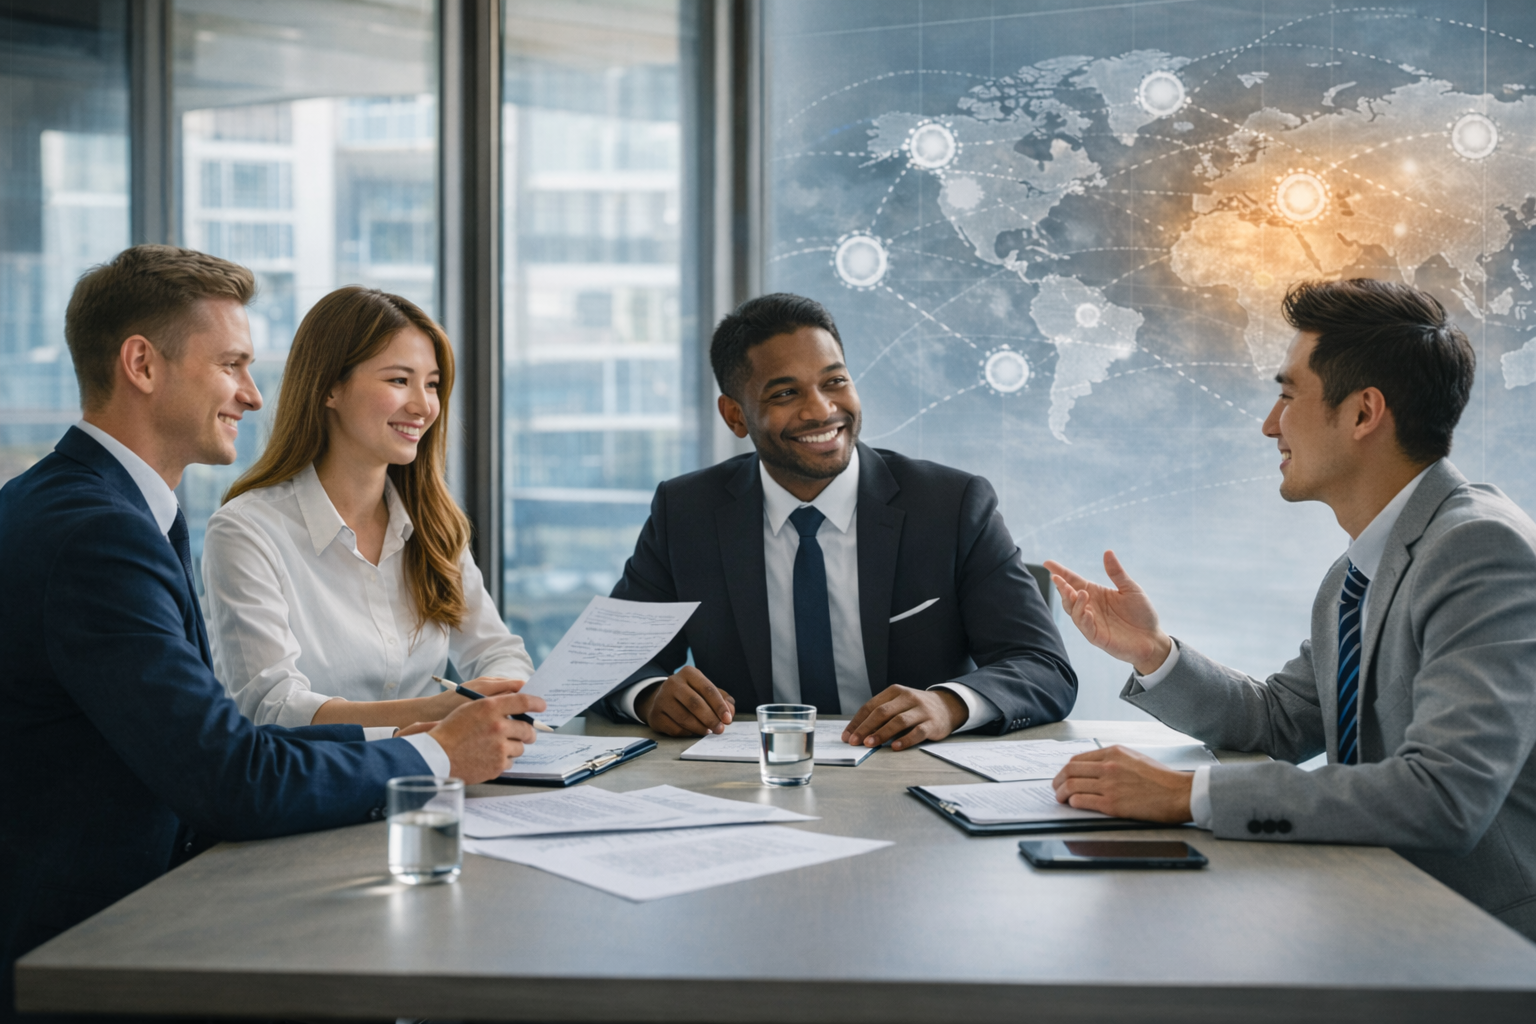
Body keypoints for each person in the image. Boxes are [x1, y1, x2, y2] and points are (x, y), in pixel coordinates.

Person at [0, 246, 542, 1016]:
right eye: (231, 364)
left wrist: (429, 736)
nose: (253, 395)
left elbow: (212, 750)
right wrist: (432, 749)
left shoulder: (98, 508)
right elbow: (230, 775)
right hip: (92, 945)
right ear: (142, 365)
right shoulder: (100, 534)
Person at [1046, 278, 1536, 939]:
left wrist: (1185, 795)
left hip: (1480, 943)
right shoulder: (1361, 568)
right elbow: (1279, 721)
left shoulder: (1479, 548)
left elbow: (1445, 796)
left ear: (1364, 413)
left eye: (1286, 395)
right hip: (1377, 907)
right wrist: (1154, 654)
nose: (1269, 424)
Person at [604, 293, 1076, 749]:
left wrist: (946, 705)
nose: (822, 410)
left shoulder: (952, 505)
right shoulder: (686, 511)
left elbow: (1042, 666)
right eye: (786, 393)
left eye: (835, 382)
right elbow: (610, 662)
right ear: (735, 416)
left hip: (909, 779)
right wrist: (648, 697)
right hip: (747, 781)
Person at [202, 286, 534, 731]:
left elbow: (496, 651)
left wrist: (500, 693)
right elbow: (273, 708)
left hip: (435, 782)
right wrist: (439, 712)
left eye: (432, 384)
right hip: (317, 791)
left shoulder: (432, 525)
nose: (423, 406)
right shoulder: (246, 532)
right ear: (331, 388)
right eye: (399, 380)